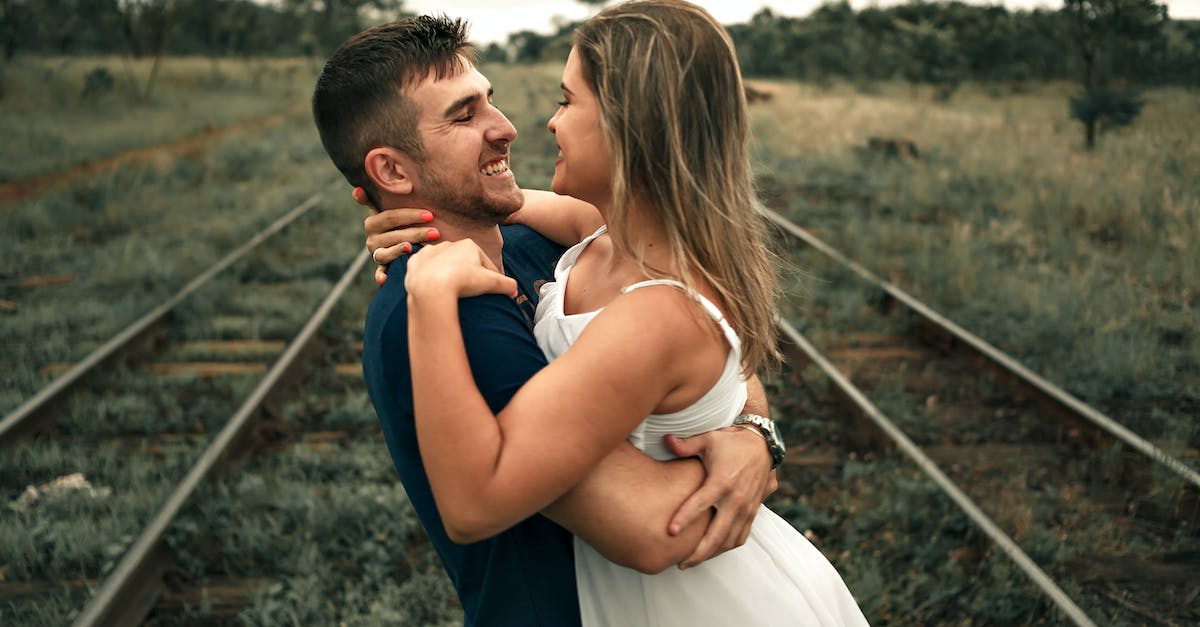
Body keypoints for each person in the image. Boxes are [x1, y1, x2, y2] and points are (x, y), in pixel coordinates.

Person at [399, 1, 870, 625]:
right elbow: (511, 205)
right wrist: (418, 205)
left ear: (625, 127)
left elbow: (473, 504)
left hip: (703, 606)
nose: (548, 123)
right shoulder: (609, 231)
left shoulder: (657, 315)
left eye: (567, 102)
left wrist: (428, 296)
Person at [311, 15, 781, 626]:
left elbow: (710, 355)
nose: (510, 128)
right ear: (393, 171)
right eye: (464, 114)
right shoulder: (458, 317)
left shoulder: (550, 250)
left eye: (491, 101)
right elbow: (652, 528)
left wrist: (753, 437)